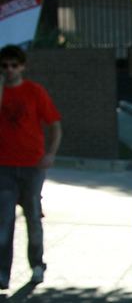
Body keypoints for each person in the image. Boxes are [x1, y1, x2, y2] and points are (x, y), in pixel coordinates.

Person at [0, 45, 62, 289]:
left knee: (33, 217)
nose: (9, 70)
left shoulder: (34, 92)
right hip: (4, 167)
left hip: (32, 167)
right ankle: (3, 272)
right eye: (4, 65)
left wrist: (51, 154)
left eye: (14, 65)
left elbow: (55, 124)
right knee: (4, 221)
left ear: (22, 66)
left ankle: (37, 265)